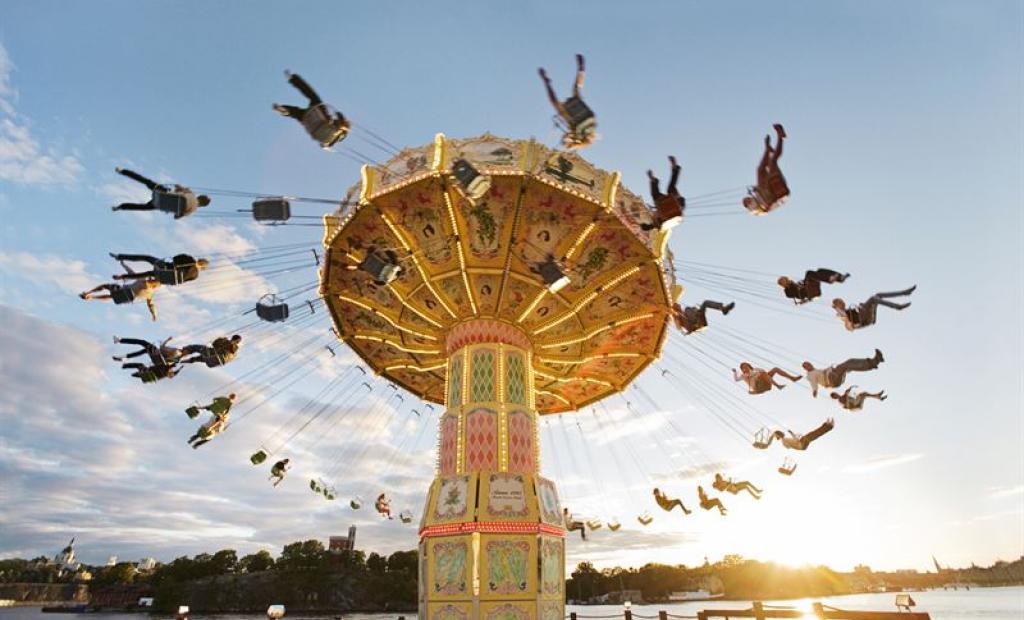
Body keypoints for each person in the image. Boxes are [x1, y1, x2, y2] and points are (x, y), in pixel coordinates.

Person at [273, 71, 350, 148]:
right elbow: (325, 145)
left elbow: (340, 117)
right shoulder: (331, 140)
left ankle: (294, 79)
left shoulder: (339, 129)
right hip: (311, 125)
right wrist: (326, 145)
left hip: (318, 117)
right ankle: (285, 110)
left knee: (312, 95)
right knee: (297, 113)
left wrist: (339, 115)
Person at [539, 54, 597, 150]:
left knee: (576, 89)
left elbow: (574, 140)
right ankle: (547, 83)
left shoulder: (582, 136)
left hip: (588, 119)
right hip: (583, 122)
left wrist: (568, 139)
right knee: (556, 104)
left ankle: (581, 71)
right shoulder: (579, 136)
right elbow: (570, 142)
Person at [111, 168, 210, 219]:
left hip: (163, 193)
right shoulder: (191, 211)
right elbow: (176, 217)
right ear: (202, 206)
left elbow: (177, 186)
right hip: (161, 204)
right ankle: (120, 207)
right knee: (142, 207)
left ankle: (122, 171)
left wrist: (180, 188)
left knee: (146, 181)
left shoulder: (191, 193)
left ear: (199, 196)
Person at [742, 124, 789, 215]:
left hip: (767, 191)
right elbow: (763, 211)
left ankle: (767, 149)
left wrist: (755, 190)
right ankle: (780, 138)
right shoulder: (754, 210)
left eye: (746, 200)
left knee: (760, 169)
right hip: (773, 195)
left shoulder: (756, 196)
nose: (747, 200)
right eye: (746, 202)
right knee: (772, 162)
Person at [802, 349, 884, 397]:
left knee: (850, 362)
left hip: (833, 375)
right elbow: (813, 383)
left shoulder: (815, 370)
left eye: (809, 363)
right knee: (845, 367)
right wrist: (815, 391)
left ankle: (874, 361)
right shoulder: (810, 375)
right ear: (806, 368)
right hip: (831, 380)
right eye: (807, 365)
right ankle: (872, 364)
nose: (810, 365)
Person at [832, 286, 917, 331]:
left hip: (865, 315)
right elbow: (846, 321)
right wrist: (835, 307)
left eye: (842, 302)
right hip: (863, 319)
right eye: (841, 303)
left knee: (877, 295)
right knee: (873, 299)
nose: (843, 303)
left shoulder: (847, 311)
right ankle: (898, 307)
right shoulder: (842, 315)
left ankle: (904, 293)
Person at [80, 276, 160, 322]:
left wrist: (123, 266)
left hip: (124, 291)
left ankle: (88, 293)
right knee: (112, 297)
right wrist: (154, 314)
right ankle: (92, 297)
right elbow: (151, 305)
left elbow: (132, 273)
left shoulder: (143, 280)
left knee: (105, 286)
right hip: (127, 299)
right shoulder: (150, 294)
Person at [110, 253, 209, 286]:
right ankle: (122, 276)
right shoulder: (195, 276)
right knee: (148, 274)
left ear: (199, 259)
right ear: (202, 269)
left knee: (147, 258)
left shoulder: (190, 259)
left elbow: (175, 258)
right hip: (164, 278)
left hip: (163, 267)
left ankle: (120, 257)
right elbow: (182, 281)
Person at [643, 156, 685, 230]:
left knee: (661, 194)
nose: (653, 213)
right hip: (675, 204)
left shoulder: (659, 209)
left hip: (670, 204)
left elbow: (653, 225)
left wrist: (648, 226)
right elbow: (654, 225)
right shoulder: (659, 218)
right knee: (670, 189)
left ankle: (654, 180)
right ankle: (674, 169)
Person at [777, 269, 849, 304]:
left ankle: (839, 277)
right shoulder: (787, 291)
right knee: (809, 273)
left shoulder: (795, 283)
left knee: (819, 271)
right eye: (785, 280)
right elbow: (791, 294)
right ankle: (829, 279)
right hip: (807, 292)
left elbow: (800, 284)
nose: (788, 280)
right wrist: (788, 285)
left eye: (786, 279)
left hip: (811, 287)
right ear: (783, 284)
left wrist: (793, 283)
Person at [732, 362, 802, 394]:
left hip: (765, 383)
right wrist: (735, 372)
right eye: (743, 368)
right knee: (762, 374)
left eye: (746, 366)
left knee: (775, 369)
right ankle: (778, 386)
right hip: (757, 387)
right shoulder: (743, 375)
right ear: (742, 369)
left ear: (749, 366)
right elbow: (736, 379)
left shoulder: (755, 369)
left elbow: (763, 372)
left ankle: (792, 378)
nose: (745, 368)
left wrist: (761, 373)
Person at [112, 336, 181, 366]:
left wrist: (167, 341)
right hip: (155, 354)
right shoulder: (173, 354)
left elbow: (163, 349)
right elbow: (162, 347)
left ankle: (119, 340)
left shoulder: (174, 354)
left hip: (155, 352)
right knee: (141, 352)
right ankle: (123, 358)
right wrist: (168, 340)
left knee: (142, 342)